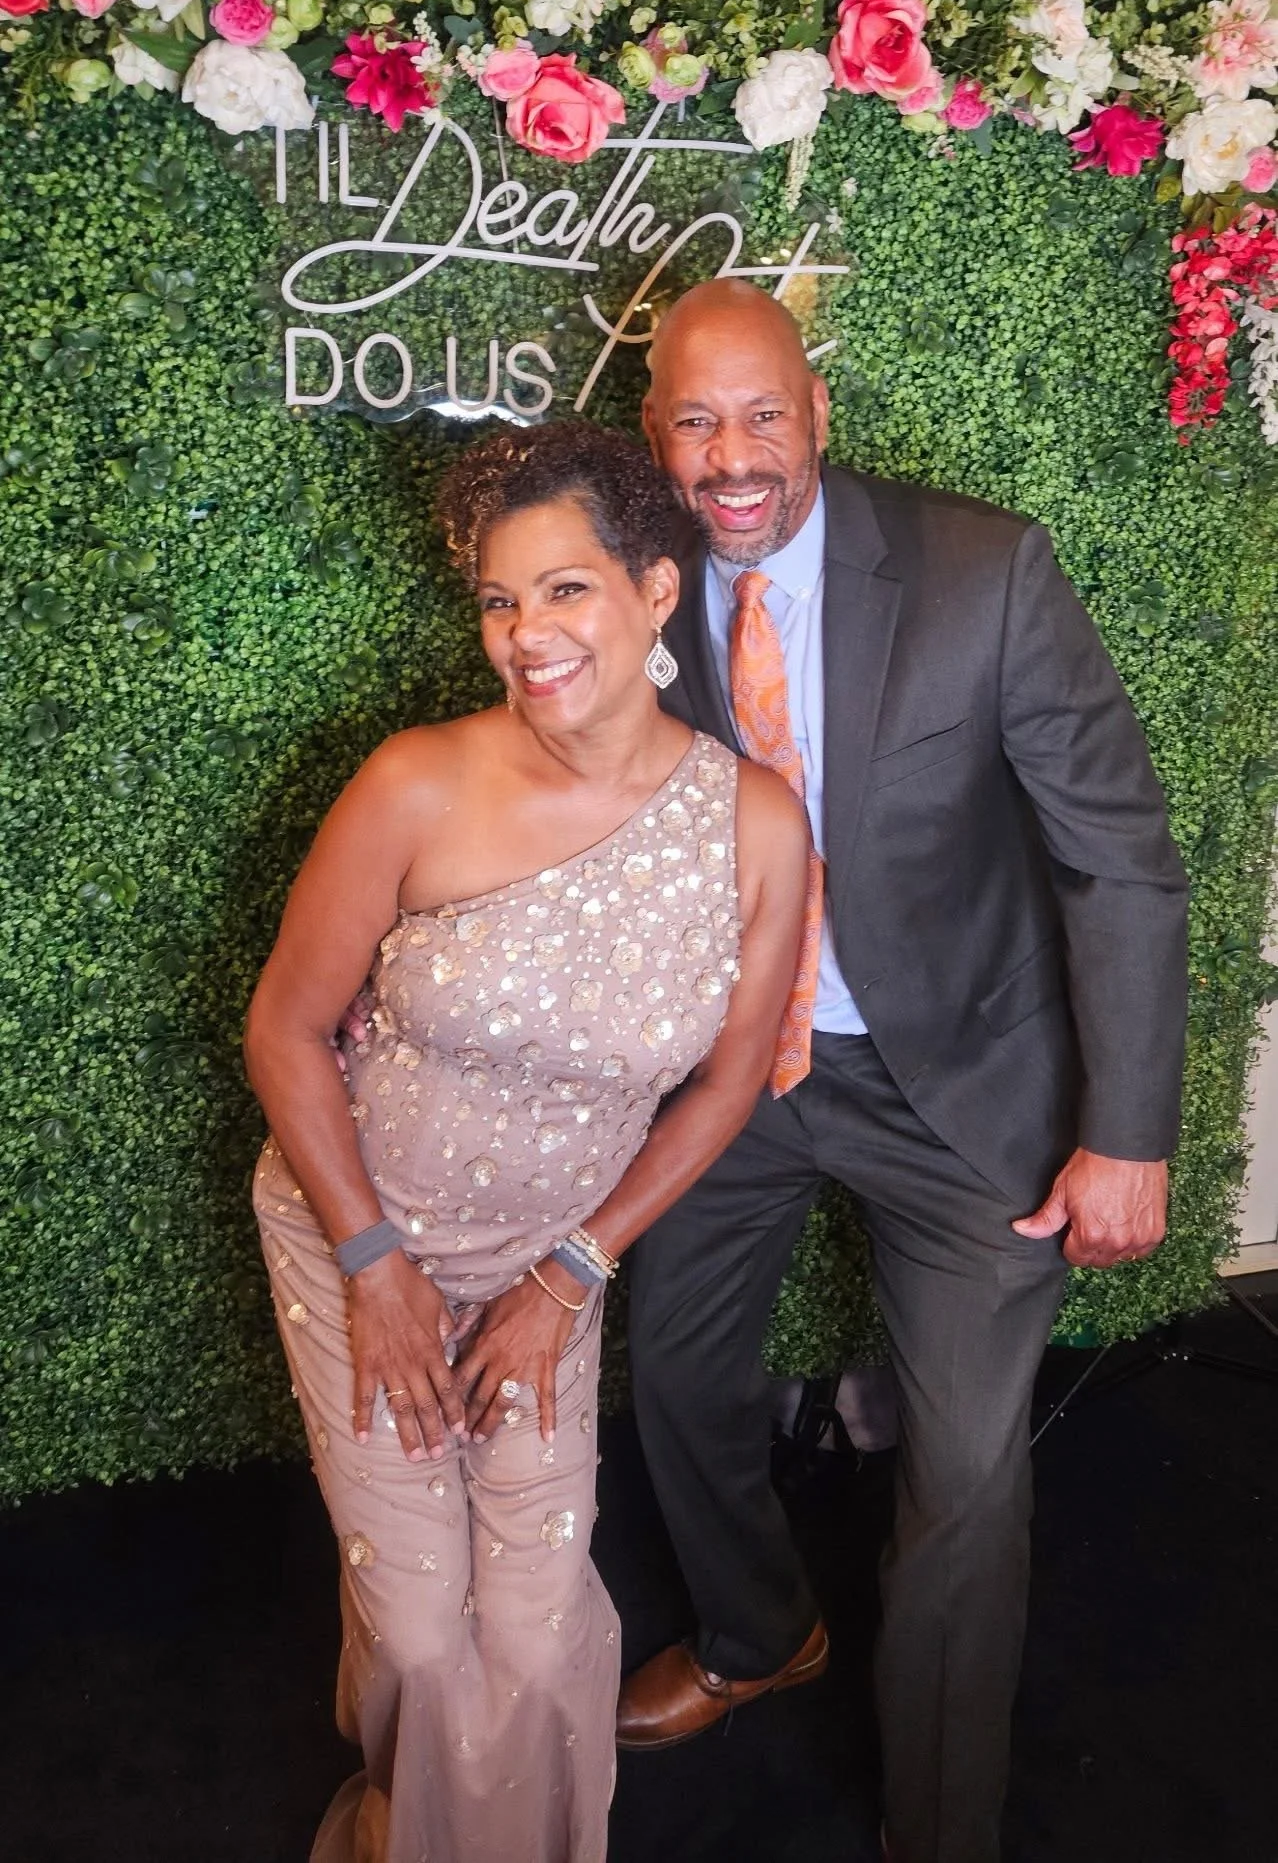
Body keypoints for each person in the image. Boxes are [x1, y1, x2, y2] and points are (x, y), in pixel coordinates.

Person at [615, 280, 1190, 1863]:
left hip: (962, 1081)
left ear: (816, 412)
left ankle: (939, 1829)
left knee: (962, 1478)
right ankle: (756, 1630)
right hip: (739, 1070)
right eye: (691, 419)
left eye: (761, 416)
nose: (731, 456)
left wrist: (1125, 1131)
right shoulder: (624, 585)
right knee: (668, 1364)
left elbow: (1120, 862)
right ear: (651, 430)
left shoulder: (978, 571)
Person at [243, 419, 808, 1863]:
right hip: (354, 1233)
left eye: (563, 589)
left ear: (655, 592)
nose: (524, 633)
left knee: (542, 1618)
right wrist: (372, 1266)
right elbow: (284, 1032)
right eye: (499, 599)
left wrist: (569, 1273)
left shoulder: (751, 823)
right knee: (431, 1636)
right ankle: (402, 1817)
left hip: (551, 1263)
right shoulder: (415, 781)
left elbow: (730, 1081)